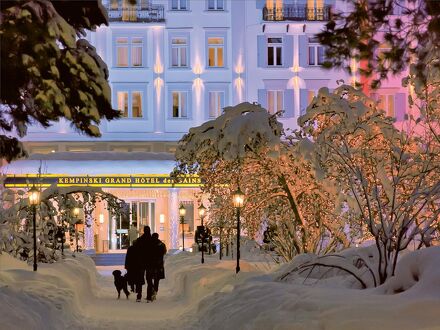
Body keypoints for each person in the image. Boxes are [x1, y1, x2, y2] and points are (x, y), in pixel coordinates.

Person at [137, 225, 154, 302]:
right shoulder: (152, 240)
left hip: (141, 262)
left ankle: (139, 296)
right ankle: (149, 297)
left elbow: (136, 251)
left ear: (144, 231)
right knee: (149, 280)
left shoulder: (140, 240)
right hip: (150, 262)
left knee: (140, 279)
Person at [150, 233, 167, 301]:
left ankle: (152, 290)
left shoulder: (149, 244)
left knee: (149, 278)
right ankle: (155, 291)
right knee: (157, 279)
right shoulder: (161, 244)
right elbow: (164, 252)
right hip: (159, 264)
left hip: (151, 264)